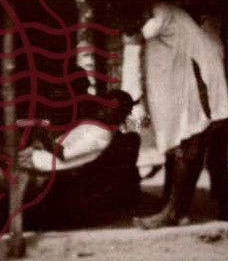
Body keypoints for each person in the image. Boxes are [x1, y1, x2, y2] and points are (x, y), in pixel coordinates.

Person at [135, 2, 228, 229]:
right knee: (188, 151)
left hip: (202, 97)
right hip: (198, 97)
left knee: (189, 151)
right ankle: (176, 209)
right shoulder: (184, 25)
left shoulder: (165, 12)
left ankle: (174, 212)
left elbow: (145, 31)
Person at [19, 90, 141, 228]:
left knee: (0, 150)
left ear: (120, 114)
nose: (103, 108)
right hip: (42, 157)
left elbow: (64, 154)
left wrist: (42, 134)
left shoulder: (101, 135)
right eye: (104, 103)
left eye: (110, 107)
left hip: (47, 163)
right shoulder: (94, 127)